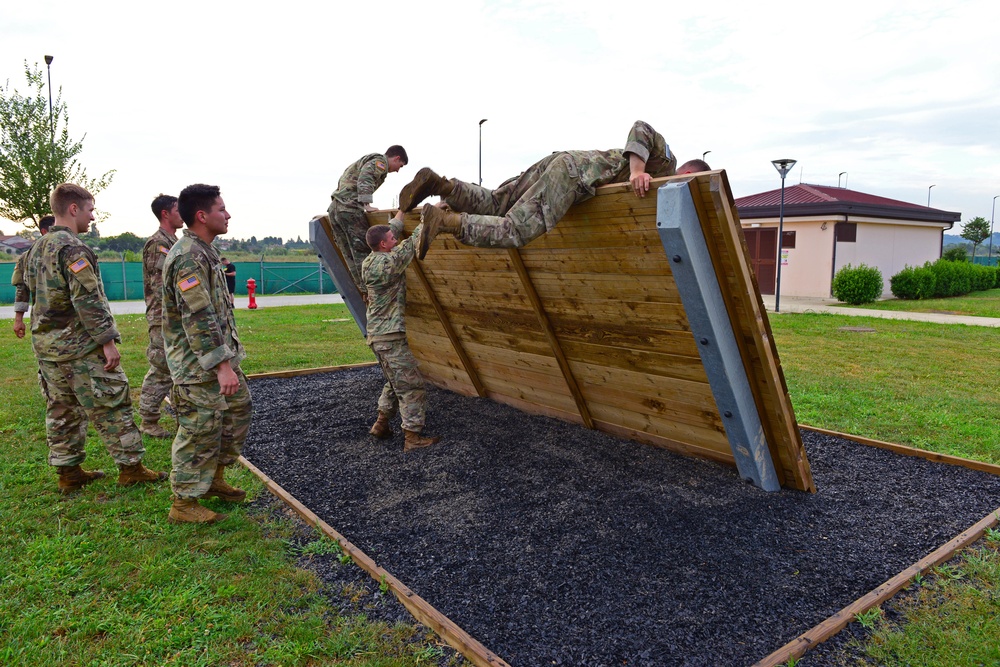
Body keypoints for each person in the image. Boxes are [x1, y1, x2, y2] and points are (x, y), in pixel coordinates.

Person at [22, 183, 166, 494]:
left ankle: (68, 472)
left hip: (47, 348)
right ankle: (132, 469)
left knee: (61, 409)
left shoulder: (37, 247)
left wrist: (25, 320)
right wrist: (107, 341)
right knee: (112, 404)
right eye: (89, 210)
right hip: (79, 348)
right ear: (73, 209)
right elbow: (88, 299)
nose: (92, 217)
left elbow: (26, 287)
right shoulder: (73, 249)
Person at [397, 120, 711, 259]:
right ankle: (446, 223)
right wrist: (638, 172)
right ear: (686, 173)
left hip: (561, 164)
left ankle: (441, 184)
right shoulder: (668, 166)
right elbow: (642, 126)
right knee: (515, 230)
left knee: (494, 203)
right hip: (571, 176)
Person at [162, 184, 253, 524]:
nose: (227, 214)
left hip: (217, 360)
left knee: (237, 412)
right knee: (199, 429)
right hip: (197, 366)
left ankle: (213, 480)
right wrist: (221, 366)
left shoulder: (205, 250)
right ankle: (184, 503)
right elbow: (198, 316)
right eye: (221, 209)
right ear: (202, 216)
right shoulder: (188, 256)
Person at [362, 223, 440, 452]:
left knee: (395, 382)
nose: (396, 239)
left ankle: (381, 424)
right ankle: (412, 438)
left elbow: (392, 241)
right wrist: (429, 217)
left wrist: (400, 215)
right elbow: (409, 246)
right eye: (392, 238)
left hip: (379, 336)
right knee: (412, 386)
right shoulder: (389, 263)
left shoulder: (370, 260)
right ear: (383, 245)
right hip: (389, 338)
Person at [328, 145, 409, 288]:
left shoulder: (368, 160)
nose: (397, 170)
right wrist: (366, 203)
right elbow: (366, 178)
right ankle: (370, 290)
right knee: (364, 250)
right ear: (396, 158)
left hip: (336, 208)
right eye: (400, 166)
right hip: (350, 208)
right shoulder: (380, 163)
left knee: (348, 252)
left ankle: (362, 289)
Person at [138, 194, 185, 438]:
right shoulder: (158, 243)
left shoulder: (173, 241)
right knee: (161, 367)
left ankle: (179, 411)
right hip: (162, 317)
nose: (182, 213)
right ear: (165, 213)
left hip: (172, 316)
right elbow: (160, 285)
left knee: (176, 365)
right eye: (178, 209)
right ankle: (148, 420)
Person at [11, 214, 55, 338]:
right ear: (44, 231)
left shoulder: (68, 253)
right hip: (43, 322)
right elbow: (21, 289)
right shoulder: (27, 257)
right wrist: (18, 319)